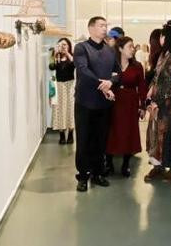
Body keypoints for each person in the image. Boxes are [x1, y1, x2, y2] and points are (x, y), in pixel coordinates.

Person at [73, 16, 120, 192]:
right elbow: (83, 70)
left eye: (105, 25)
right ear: (91, 28)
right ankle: (83, 176)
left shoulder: (110, 50)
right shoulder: (81, 48)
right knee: (84, 140)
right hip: (85, 102)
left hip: (104, 104)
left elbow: (118, 72)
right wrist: (103, 85)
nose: (104, 28)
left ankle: (98, 173)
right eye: (101, 25)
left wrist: (111, 82)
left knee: (101, 140)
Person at [144, 23, 171, 183]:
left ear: (167, 37)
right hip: (160, 104)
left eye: (162, 36)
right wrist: (151, 91)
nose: (160, 39)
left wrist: (156, 100)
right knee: (156, 134)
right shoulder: (164, 55)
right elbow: (157, 77)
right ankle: (158, 166)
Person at [105, 36, 147, 177]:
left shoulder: (137, 66)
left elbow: (142, 87)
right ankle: (108, 162)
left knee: (129, 132)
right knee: (111, 132)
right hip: (113, 102)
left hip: (130, 103)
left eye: (133, 46)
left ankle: (126, 164)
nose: (133, 49)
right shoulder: (111, 65)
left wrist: (143, 106)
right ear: (120, 49)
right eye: (129, 46)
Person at [48, 37, 75, 145]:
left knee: (70, 109)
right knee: (59, 110)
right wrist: (54, 55)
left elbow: (75, 64)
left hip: (70, 85)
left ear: (68, 46)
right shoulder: (56, 56)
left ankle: (71, 134)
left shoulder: (71, 56)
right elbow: (51, 67)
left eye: (64, 44)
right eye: (60, 45)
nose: (62, 47)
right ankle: (62, 135)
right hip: (59, 86)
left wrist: (67, 53)